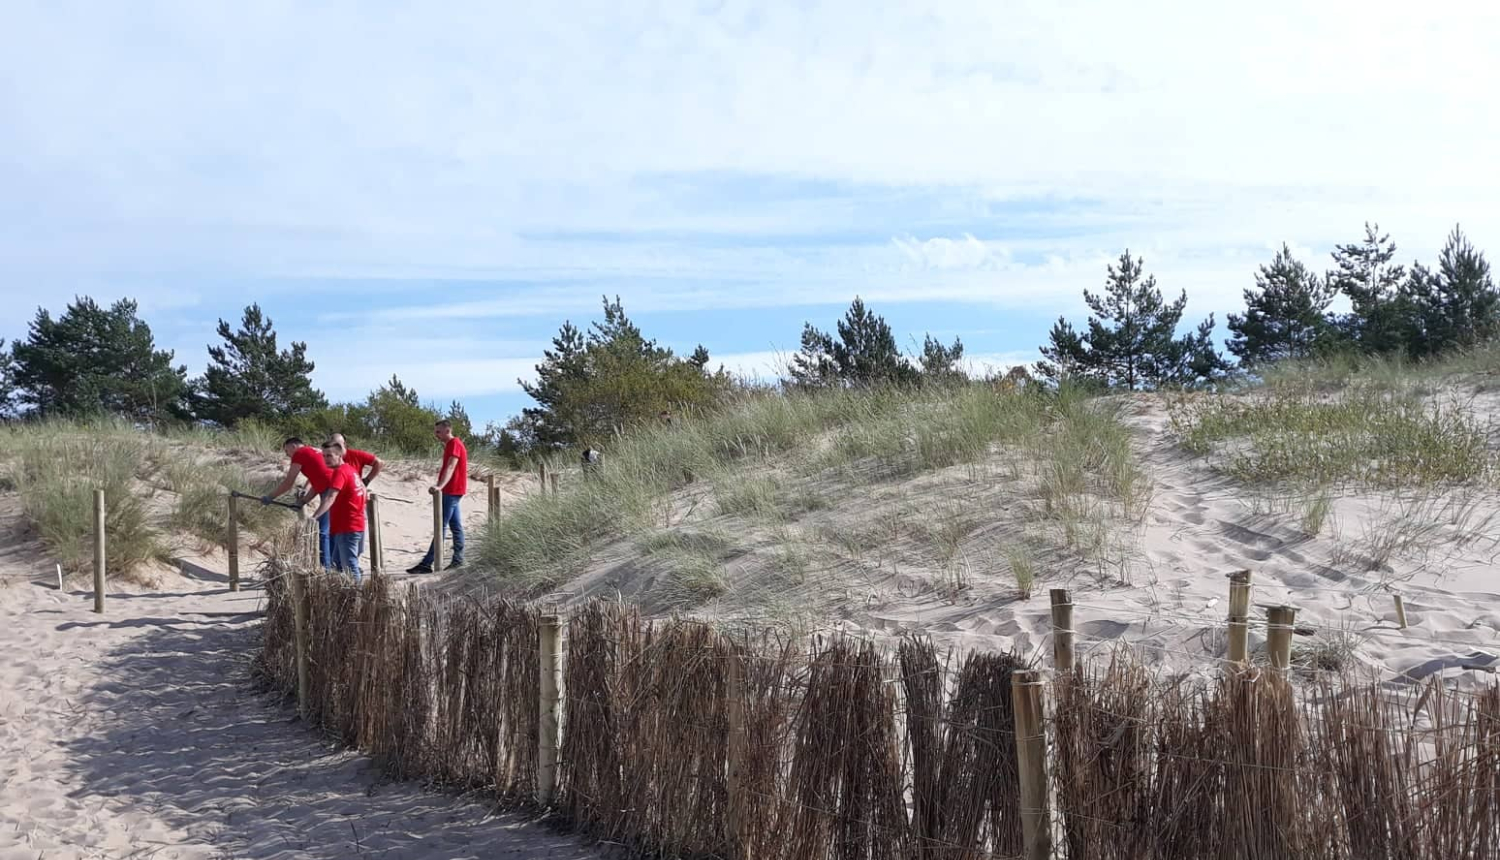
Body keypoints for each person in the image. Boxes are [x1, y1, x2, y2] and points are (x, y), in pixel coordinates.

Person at [262, 436, 334, 568]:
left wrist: (270, 497)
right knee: (332, 530)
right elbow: (317, 478)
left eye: (287, 451)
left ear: (293, 446)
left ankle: (325, 569)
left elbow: (288, 482)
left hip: (331, 491)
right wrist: (304, 497)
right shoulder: (314, 451)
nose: (287, 454)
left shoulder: (299, 454)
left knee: (321, 531)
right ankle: (335, 567)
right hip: (336, 486)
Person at [408, 418, 467, 573]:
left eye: (438, 432)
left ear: (448, 430)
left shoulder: (454, 444)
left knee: (440, 525)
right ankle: (458, 559)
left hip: (452, 490)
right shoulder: (450, 445)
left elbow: (451, 466)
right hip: (452, 490)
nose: (436, 435)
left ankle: (427, 563)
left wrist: (440, 486)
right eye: (435, 432)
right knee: (455, 526)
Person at [309, 440, 367, 582]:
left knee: (350, 567)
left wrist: (314, 517)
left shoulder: (340, 473)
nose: (326, 459)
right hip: (351, 525)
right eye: (324, 456)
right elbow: (364, 492)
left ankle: (357, 599)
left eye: (329, 456)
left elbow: (330, 497)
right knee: (336, 566)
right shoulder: (351, 470)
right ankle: (342, 598)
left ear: (339, 455)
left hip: (348, 527)